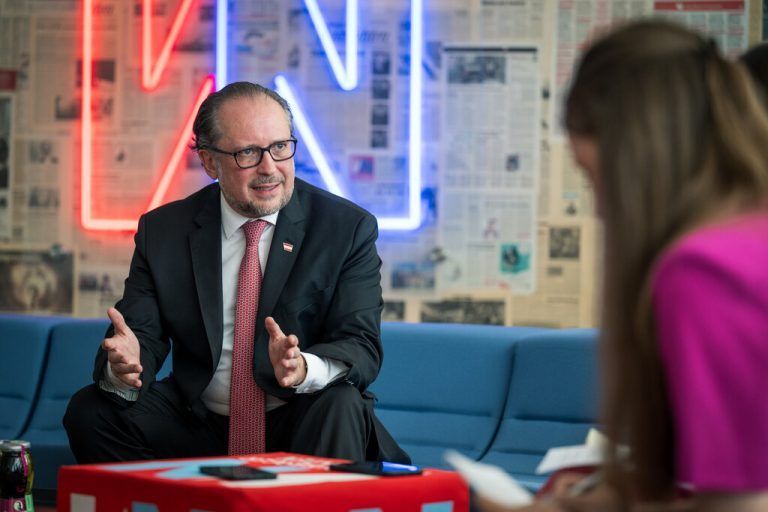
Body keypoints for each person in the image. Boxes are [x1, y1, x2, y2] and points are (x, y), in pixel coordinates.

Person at [479, 19, 768, 512]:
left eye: (595, 179)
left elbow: (741, 504)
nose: (599, 209)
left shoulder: (704, 272)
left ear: (634, 157)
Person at [64, 81, 408, 465]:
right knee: (91, 412)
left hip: (300, 417)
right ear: (209, 161)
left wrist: (302, 367)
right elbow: (141, 334)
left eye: (280, 147)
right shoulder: (164, 231)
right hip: (198, 422)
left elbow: (360, 344)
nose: (269, 169)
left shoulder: (345, 229)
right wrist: (125, 365)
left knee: (341, 402)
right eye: (248, 152)